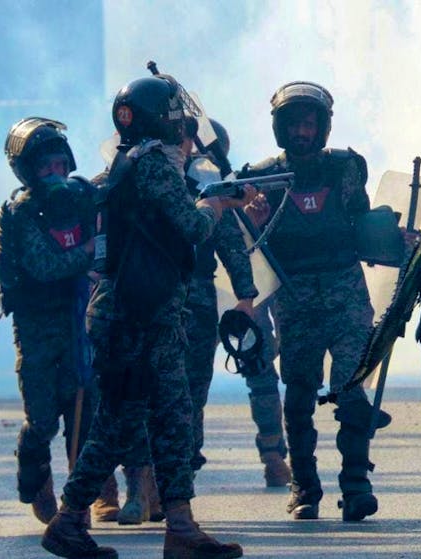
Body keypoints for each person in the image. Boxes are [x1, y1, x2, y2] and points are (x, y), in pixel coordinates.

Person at [40, 74, 251, 559]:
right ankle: (78, 520)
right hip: (139, 315)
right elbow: (194, 226)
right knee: (132, 419)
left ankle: (176, 525)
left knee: (163, 418)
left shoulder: (129, 160)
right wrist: (217, 202)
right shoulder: (154, 162)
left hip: (140, 311)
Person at [241, 81, 390, 521]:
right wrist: (257, 223)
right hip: (296, 298)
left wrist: (395, 239)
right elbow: (249, 250)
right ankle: (304, 487)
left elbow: (362, 224)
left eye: (309, 124)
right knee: (300, 393)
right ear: (280, 129)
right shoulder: (261, 179)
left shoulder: (346, 169)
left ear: (322, 128)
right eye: (294, 125)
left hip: (346, 293)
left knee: (350, 390)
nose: (302, 133)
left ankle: (357, 485)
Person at [0, 118, 104, 524]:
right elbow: (43, 266)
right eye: (46, 168)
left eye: (61, 165)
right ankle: (36, 481)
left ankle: (78, 501)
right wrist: (87, 255)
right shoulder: (22, 212)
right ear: (28, 172)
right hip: (38, 328)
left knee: (83, 407)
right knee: (42, 419)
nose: (56, 175)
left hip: (79, 323)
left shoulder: (82, 200)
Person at [182, 117, 290, 487]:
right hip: (191, 295)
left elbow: (250, 246)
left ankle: (274, 456)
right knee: (185, 384)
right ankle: (176, 468)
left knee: (260, 370)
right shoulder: (170, 188)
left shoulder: (232, 187)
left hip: (237, 292)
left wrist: (252, 218)